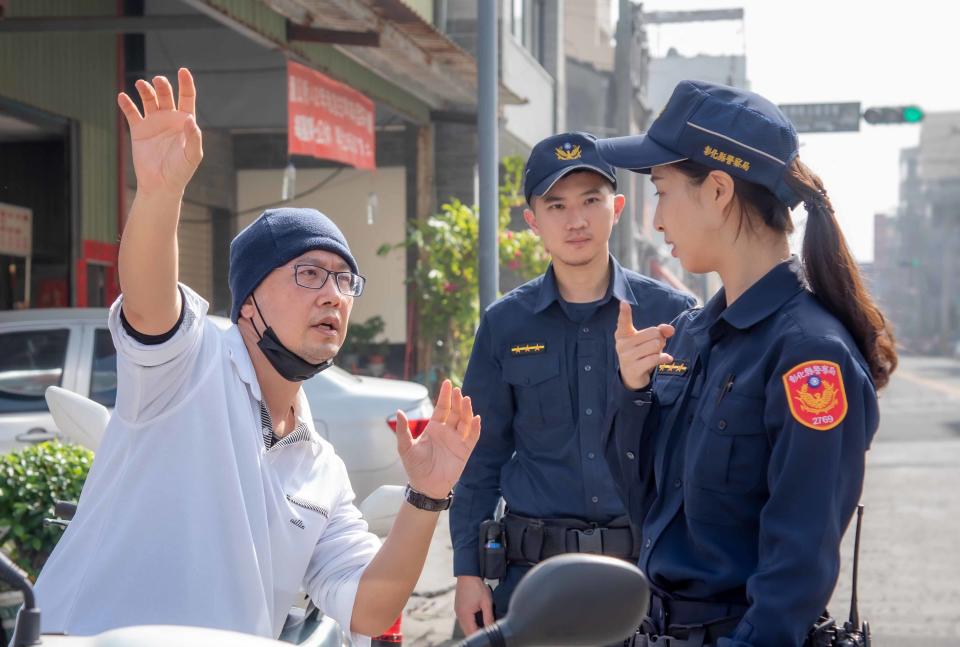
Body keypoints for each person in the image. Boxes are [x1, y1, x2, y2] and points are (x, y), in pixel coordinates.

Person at [33, 69, 481, 645]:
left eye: (345, 280)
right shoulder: (188, 365)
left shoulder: (321, 470)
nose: (332, 294)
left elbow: (369, 610)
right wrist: (161, 191)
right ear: (247, 303)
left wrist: (427, 496)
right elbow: (148, 307)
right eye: (309, 273)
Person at [598, 80, 898, 647]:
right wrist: (633, 394)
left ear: (716, 190)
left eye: (661, 191)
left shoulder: (811, 356)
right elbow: (647, 512)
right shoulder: (689, 336)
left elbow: (797, 566)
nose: (656, 221)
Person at [450, 132, 696, 635]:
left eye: (590, 200)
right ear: (533, 220)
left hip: (645, 583)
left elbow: (695, 454)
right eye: (556, 205)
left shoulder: (671, 316)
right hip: (533, 583)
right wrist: (468, 570)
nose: (576, 220)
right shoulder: (506, 324)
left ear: (617, 207)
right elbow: (481, 456)